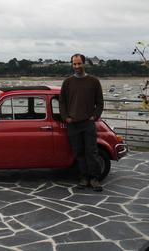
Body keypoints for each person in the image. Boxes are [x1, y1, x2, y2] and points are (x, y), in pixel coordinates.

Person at [59, 53, 104, 192]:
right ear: (72, 64)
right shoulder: (67, 82)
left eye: (79, 63)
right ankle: (83, 178)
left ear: (84, 64)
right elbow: (62, 102)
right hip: (73, 124)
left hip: (88, 123)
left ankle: (95, 179)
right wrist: (66, 117)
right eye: (74, 64)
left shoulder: (94, 81)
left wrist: (94, 117)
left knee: (92, 152)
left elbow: (100, 103)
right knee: (79, 153)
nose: (77, 66)